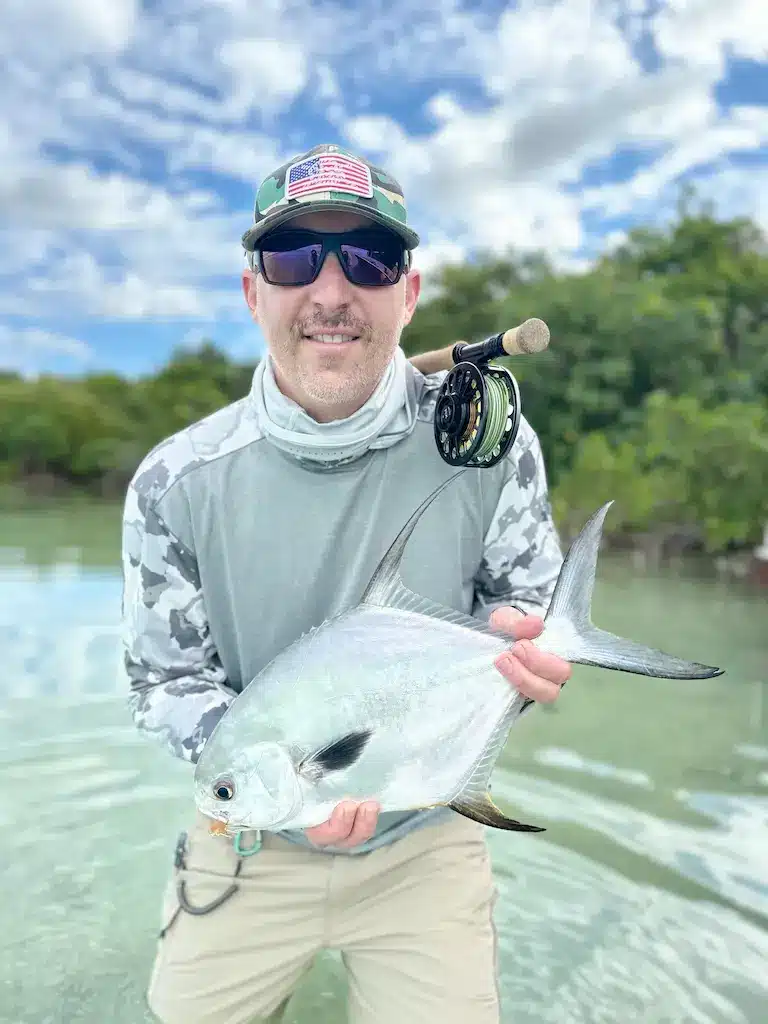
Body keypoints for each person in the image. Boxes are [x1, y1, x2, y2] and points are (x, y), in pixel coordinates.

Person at [121, 143, 570, 1024]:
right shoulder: (173, 482)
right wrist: (284, 785)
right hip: (249, 835)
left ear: (409, 292)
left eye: (370, 258)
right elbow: (162, 681)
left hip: (428, 828)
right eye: (294, 258)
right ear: (253, 291)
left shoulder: (491, 444)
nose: (331, 291)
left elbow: (526, 607)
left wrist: (529, 657)